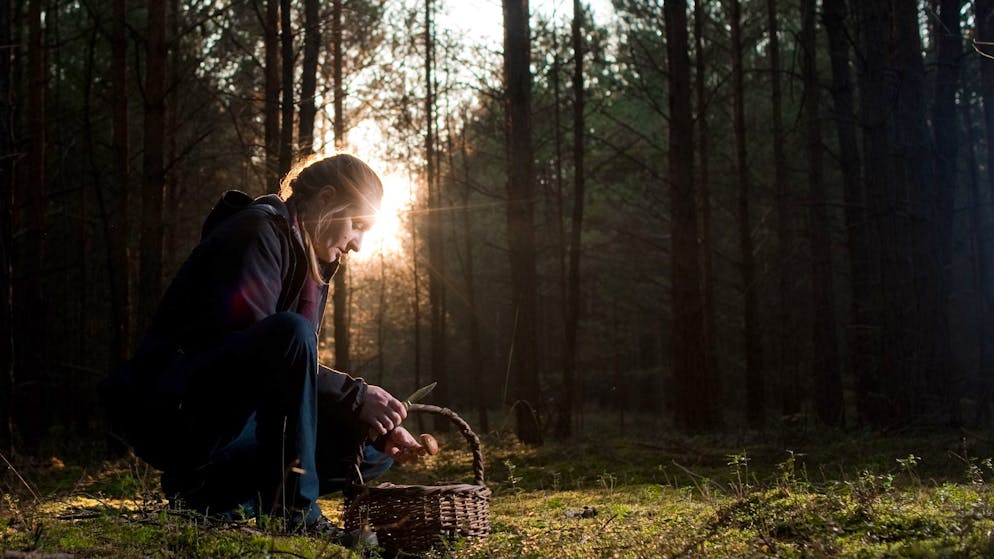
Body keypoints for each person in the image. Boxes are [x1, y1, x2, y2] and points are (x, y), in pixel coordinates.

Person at [101, 153, 421, 539]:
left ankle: (218, 498)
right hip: (178, 414)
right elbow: (267, 353)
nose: (358, 245)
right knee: (291, 332)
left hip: (238, 419)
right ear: (325, 198)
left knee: (369, 451)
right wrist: (354, 395)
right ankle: (295, 516)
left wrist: (371, 425)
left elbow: (290, 382)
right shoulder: (256, 233)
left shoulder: (309, 262)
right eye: (356, 225)